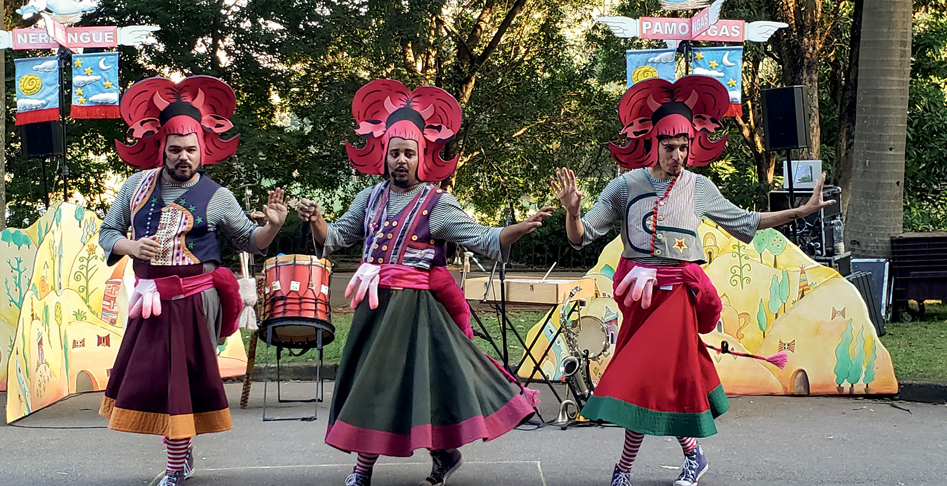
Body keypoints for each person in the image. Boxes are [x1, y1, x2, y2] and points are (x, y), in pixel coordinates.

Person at [551, 76, 835, 486]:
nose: (678, 155)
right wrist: (573, 211)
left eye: (684, 147)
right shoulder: (624, 186)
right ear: (653, 142)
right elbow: (581, 237)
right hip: (639, 300)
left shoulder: (699, 187)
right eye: (670, 146)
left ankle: (625, 468)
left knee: (644, 380)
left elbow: (747, 221)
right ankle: (693, 455)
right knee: (652, 383)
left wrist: (800, 211)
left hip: (678, 300)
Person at [296, 79, 550, 486]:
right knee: (380, 385)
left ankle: (368, 469)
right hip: (374, 309)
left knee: (412, 388)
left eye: (409, 153)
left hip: (415, 313)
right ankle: (436, 455)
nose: (401, 160)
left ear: (421, 158)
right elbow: (336, 238)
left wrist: (517, 229)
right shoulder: (369, 199)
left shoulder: (438, 204)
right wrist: (315, 219)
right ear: (384, 155)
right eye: (394, 152)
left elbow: (482, 238)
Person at [98, 76, 287, 486]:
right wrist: (131, 248)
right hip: (150, 299)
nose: (183, 156)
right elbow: (107, 232)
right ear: (162, 149)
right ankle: (181, 455)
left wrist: (271, 229)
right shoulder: (135, 187)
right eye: (175, 149)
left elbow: (249, 242)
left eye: (191, 149)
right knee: (158, 381)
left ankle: (176, 463)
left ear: (203, 150)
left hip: (198, 298)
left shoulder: (218, 196)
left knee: (179, 379)